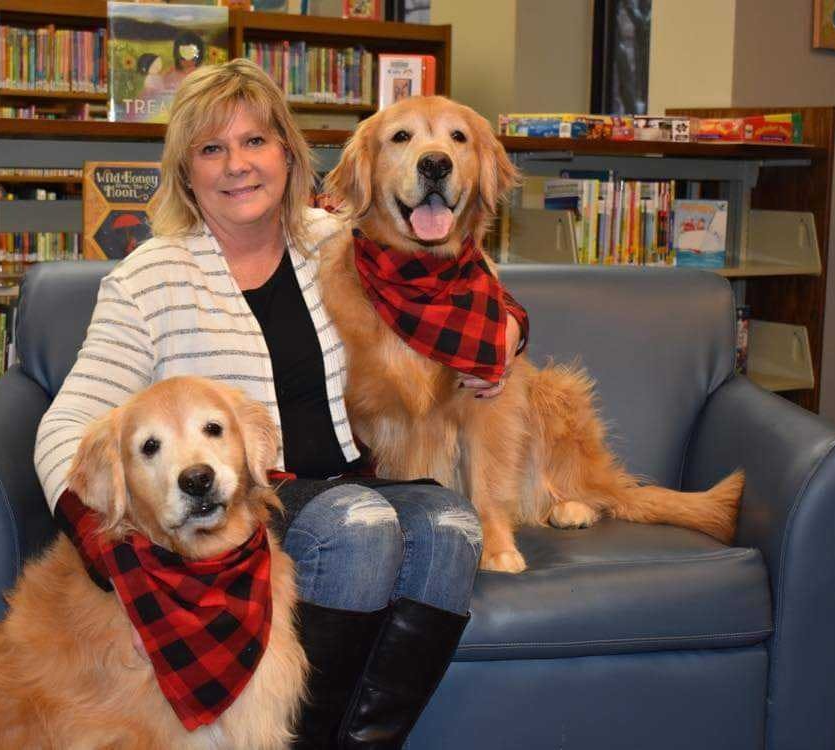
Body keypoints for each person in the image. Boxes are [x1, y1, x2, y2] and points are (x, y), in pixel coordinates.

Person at [34, 58, 525, 749]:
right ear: (184, 172)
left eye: (255, 142)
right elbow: (67, 422)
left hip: (353, 478)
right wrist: (101, 537)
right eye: (211, 148)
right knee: (357, 526)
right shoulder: (148, 280)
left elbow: (460, 288)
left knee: (450, 525)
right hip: (250, 502)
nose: (237, 165)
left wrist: (507, 330)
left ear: (289, 156)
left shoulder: (340, 243)